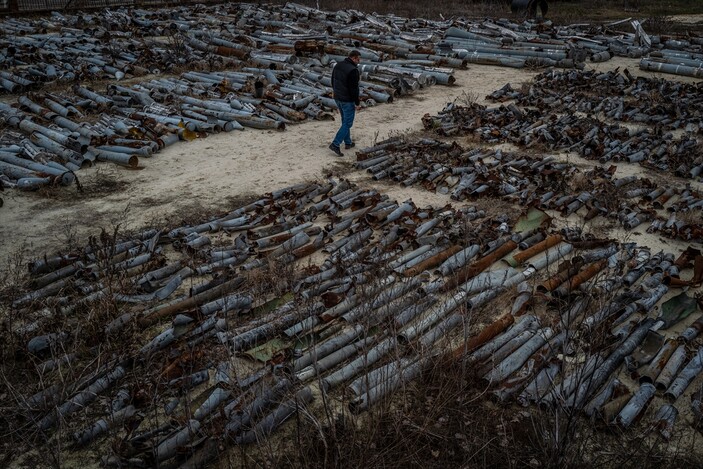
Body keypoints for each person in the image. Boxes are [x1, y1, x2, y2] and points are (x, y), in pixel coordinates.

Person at [329, 50, 361, 157]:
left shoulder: (338, 65)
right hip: (347, 100)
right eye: (358, 59)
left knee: (344, 121)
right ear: (353, 58)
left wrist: (335, 93)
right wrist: (357, 102)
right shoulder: (353, 70)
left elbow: (332, 80)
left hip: (338, 97)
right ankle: (335, 144)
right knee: (348, 123)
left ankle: (348, 143)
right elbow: (354, 89)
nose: (359, 61)